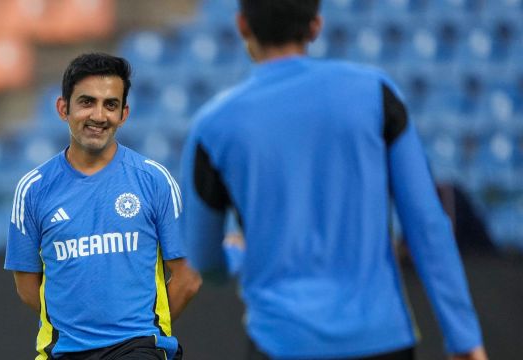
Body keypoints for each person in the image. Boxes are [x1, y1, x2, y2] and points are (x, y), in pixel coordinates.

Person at [179, 1, 488, 359]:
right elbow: (427, 224)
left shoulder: (213, 125)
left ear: (243, 25)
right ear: (315, 27)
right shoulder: (375, 92)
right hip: (382, 339)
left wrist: (235, 255)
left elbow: (204, 261)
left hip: (283, 343)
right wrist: (463, 337)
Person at [5, 52, 201, 360]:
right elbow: (27, 286)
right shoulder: (33, 190)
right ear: (62, 108)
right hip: (65, 351)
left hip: (138, 348)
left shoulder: (154, 180)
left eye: (110, 104)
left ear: (124, 114)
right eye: (87, 102)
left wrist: (132, 329)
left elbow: (188, 277)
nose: (99, 115)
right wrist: (84, 328)